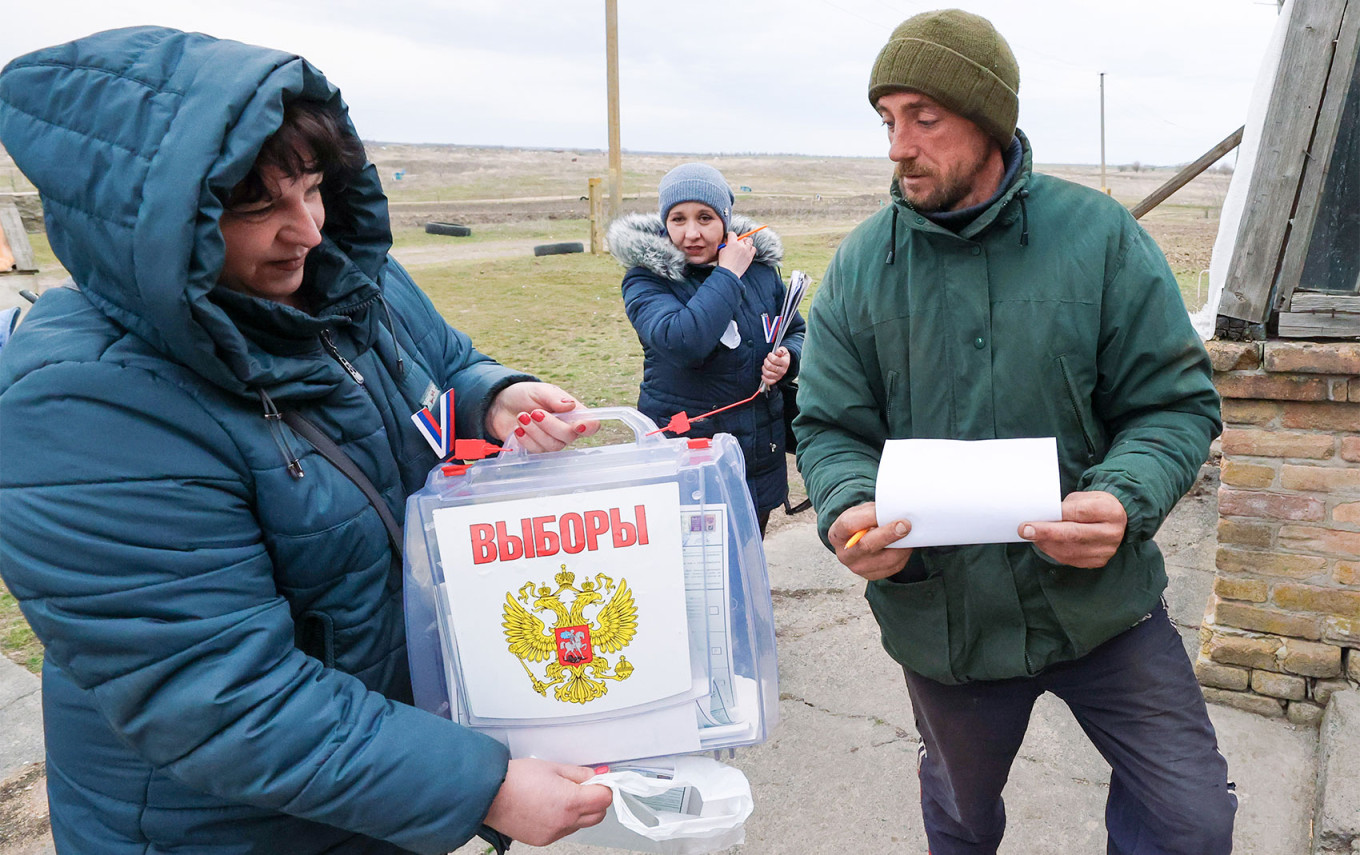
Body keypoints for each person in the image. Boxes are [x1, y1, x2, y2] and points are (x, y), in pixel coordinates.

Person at [0, 27, 612, 854]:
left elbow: (440, 364)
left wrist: (492, 398)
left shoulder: (342, 279)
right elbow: (221, 695)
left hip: (371, 783)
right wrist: (484, 784)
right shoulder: (82, 404)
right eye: (259, 207)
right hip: (225, 830)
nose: (309, 230)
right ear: (152, 224)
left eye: (315, 187)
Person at [793, 9, 1236, 854]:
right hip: (944, 623)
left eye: (925, 118)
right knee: (961, 822)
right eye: (888, 120)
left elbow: (1175, 403)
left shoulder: (1100, 239)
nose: (898, 146)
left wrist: (1122, 495)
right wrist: (848, 509)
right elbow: (829, 427)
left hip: (1103, 609)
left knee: (1191, 820)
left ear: (989, 120)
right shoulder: (860, 267)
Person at [609, 163, 805, 535]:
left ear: (726, 221)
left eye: (705, 217)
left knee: (747, 564)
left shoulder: (761, 272)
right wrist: (728, 274)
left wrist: (788, 358)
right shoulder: (647, 280)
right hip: (688, 461)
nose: (692, 233)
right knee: (694, 575)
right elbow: (685, 342)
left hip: (756, 454)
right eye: (678, 219)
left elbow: (795, 329)